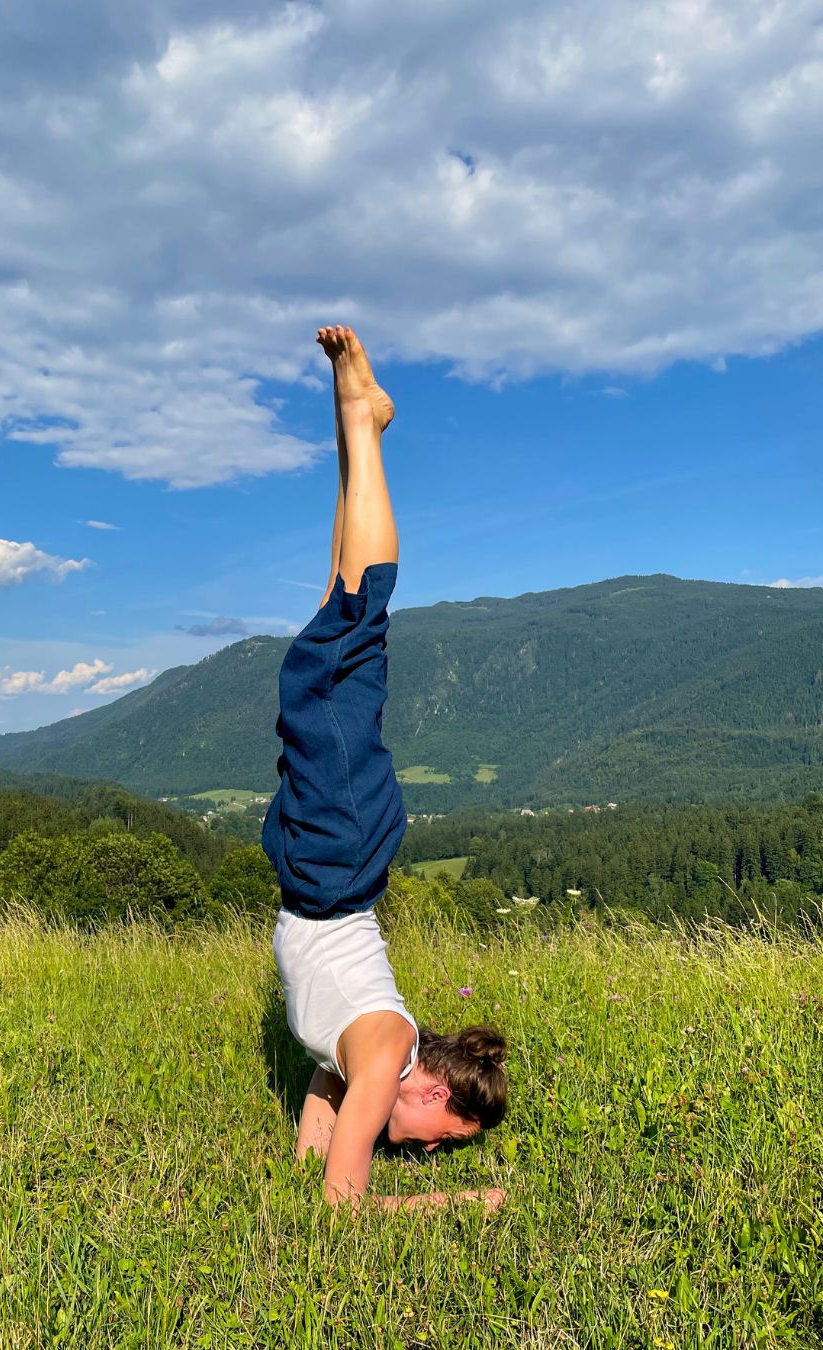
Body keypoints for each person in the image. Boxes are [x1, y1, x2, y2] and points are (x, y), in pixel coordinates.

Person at [262, 325, 508, 1211]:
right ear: (432, 1093)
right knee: (351, 638)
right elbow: (344, 1211)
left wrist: (315, 1138)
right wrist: (454, 1206)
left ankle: (354, 421)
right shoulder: (379, 1054)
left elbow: (316, 1148)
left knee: (331, 631)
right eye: (445, 1142)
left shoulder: (363, 1059)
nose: (432, 1157)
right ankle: (364, 423)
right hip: (337, 861)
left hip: (323, 869)